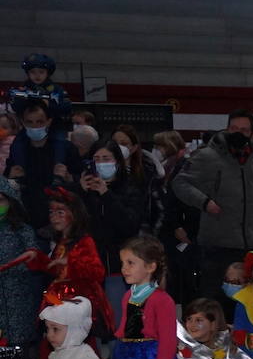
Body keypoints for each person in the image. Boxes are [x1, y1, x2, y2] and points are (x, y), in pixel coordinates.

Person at [171, 109, 253, 304]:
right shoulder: (207, 156)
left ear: (251, 133)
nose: (239, 133)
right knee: (212, 302)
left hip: (249, 246)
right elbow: (180, 183)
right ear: (227, 128)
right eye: (234, 128)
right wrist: (204, 202)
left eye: (245, 130)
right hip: (216, 244)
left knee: (245, 304)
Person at [32, 187, 114, 346]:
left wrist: (71, 261)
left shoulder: (85, 241)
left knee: (76, 343)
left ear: (74, 214)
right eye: (51, 212)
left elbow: (98, 272)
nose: (54, 217)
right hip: (57, 298)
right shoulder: (61, 243)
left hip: (75, 301)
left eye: (60, 212)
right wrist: (39, 259)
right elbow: (56, 271)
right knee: (52, 341)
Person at [80, 138, 148, 330]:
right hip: (90, 268)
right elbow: (77, 226)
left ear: (117, 161)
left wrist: (106, 194)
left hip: (118, 268)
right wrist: (82, 194)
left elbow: (129, 225)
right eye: (97, 158)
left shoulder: (131, 188)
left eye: (106, 158)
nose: (101, 163)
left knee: (118, 323)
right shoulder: (85, 191)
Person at [4, 98, 79, 221]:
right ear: (23, 122)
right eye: (30, 122)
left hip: (59, 216)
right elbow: (8, 183)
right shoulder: (18, 150)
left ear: (48, 122)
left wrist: (69, 178)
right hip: (27, 215)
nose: (35, 126)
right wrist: (11, 178)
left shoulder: (65, 148)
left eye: (40, 122)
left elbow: (80, 179)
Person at [152, 130, 200, 302]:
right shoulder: (162, 168)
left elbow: (186, 200)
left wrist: (181, 226)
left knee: (182, 280)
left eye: (161, 146)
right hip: (166, 231)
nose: (157, 150)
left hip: (181, 231)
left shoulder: (186, 166)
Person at [0, 176, 41, 359]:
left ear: (11, 201)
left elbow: (35, 258)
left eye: (0, 199)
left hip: (18, 296)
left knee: (18, 354)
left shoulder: (22, 230)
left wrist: (12, 267)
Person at [8, 54, 72, 124]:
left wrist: (48, 103)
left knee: (59, 134)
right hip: (29, 125)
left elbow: (66, 108)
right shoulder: (23, 89)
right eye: (32, 72)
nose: (37, 75)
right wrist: (21, 99)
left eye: (41, 72)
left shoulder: (56, 89)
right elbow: (16, 108)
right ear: (28, 74)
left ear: (48, 73)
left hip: (54, 124)